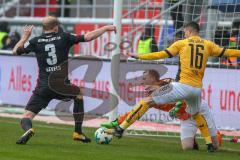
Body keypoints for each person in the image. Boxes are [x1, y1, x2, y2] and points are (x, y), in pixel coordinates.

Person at [116, 21, 240, 152]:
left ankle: (121, 128)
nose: (185, 34)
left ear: (189, 31)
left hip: (181, 86)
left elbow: (161, 54)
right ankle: (209, 143)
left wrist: (140, 56)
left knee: (147, 101)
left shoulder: (182, 44)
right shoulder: (208, 45)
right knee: (196, 114)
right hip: (196, 90)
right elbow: (227, 52)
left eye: (185, 32)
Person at [12, 16, 116, 144]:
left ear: (43, 28)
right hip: (61, 86)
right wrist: (105, 28)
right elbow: (88, 37)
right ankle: (78, 132)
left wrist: (25, 37)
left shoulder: (35, 41)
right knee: (78, 94)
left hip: (43, 87)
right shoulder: (64, 37)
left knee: (27, 116)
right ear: (56, 27)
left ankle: (29, 129)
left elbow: (15, 51)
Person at [103, 70, 221, 150]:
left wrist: (177, 106)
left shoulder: (169, 86)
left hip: (198, 109)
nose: (143, 84)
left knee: (215, 145)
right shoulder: (152, 100)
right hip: (185, 117)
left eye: (144, 80)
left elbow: (186, 95)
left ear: (153, 80)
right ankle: (193, 139)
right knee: (187, 148)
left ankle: (216, 134)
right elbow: (134, 112)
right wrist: (117, 122)